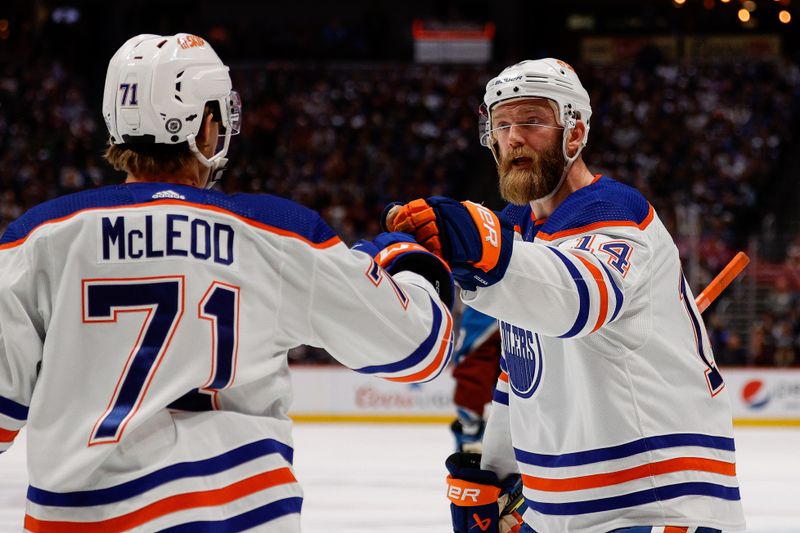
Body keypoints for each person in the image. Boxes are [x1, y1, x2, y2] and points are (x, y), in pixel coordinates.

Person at [0, 33, 454, 532]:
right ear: (207, 124)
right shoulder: (276, 233)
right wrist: (403, 260)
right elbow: (421, 348)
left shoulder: (37, 238)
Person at [387, 59, 745, 533]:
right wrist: (496, 475)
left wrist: (480, 247)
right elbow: (521, 375)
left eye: (533, 120)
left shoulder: (616, 214)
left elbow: (575, 298)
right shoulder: (519, 231)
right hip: (562, 512)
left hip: (659, 507)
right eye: (503, 123)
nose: (514, 136)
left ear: (574, 134)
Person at [450, 304, 500, 452]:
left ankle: (470, 434)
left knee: (473, 363)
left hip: (487, 307)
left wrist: (469, 426)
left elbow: (472, 370)